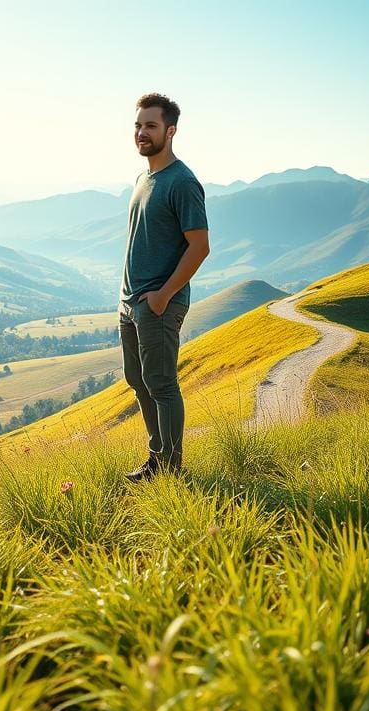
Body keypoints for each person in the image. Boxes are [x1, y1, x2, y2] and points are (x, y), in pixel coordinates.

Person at [119, 92, 210, 481]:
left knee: (162, 384)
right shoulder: (144, 178)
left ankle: (170, 468)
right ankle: (157, 459)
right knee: (138, 381)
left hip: (157, 302)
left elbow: (200, 246)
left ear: (170, 131)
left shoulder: (182, 182)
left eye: (150, 126)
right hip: (130, 302)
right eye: (138, 125)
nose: (142, 132)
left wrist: (162, 296)